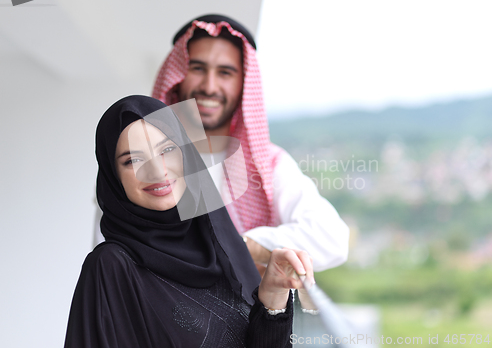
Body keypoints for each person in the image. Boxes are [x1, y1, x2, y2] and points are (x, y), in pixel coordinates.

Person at [65, 95, 315, 348]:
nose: (158, 170)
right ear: (113, 177)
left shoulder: (218, 246)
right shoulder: (111, 266)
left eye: (168, 150)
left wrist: (272, 298)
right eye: (133, 160)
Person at [150, 14, 349, 272]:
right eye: (197, 68)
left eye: (225, 72)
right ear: (177, 77)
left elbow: (331, 239)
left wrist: (238, 245)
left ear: (244, 84)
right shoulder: (142, 161)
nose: (210, 86)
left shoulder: (268, 162)